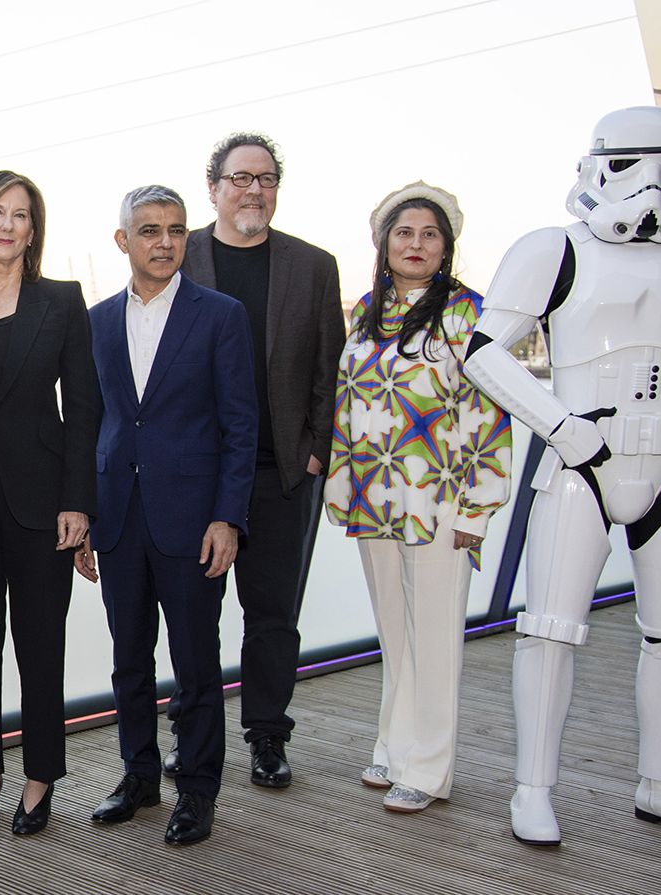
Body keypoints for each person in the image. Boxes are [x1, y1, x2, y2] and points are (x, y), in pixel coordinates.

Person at [463, 106, 661, 847]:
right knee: (550, 629)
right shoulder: (552, 248)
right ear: (596, 165)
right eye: (631, 161)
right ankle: (533, 789)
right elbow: (486, 349)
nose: (652, 181)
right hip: (583, 462)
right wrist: (561, 426)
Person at [323, 182, 512, 813]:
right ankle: (395, 747)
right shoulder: (366, 312)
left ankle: (429, 770)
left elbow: (490, 413)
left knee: (435, 637)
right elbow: (348, 407)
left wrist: (476, 509)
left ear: (446, 245)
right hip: (375, 498)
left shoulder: (468, 313)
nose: (416, 244)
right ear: (383, 243)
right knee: (396, 634)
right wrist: (343, 486)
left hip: (440, 500)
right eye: (405, 233)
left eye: (430, 234)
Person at [76, 185, 257, 847]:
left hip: (193, 521)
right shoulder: (93, 321)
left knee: (196, 660)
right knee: (129, 660)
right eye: (148, 230)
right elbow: (90, 425)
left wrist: (227, 516)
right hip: (118, 517)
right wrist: (88, 518)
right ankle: (139, 774)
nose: (163, 242)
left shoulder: (221, 316)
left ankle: (198, 790)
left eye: (176, 230)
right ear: (123, 240)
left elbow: (242, 426)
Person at [169, 132, 343, 789]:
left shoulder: (313, 266)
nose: (253, 190)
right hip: (197, 479)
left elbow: (330, 370)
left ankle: (268, 736)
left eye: (265, 179)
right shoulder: (179, 259)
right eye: (240, 178)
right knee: (194, 619)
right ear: (213, 187)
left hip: (281, 476)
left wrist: (318, 451)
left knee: (272, 617)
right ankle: (193, 739)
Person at [0, 171, 101, 838]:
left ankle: (40, 777)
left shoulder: (62, 302)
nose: (8, 224)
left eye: (21, 215)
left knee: (42, 648)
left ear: (33, 231)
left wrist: (80, 502)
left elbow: (86, 409)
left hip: (45, 504)